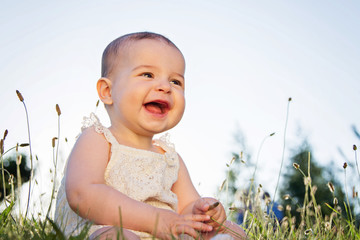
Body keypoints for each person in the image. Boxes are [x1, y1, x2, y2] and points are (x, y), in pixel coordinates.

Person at [54, 32, 246, 240]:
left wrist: (203, 213)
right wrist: (155, 219)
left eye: (176, 81)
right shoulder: (98, 139)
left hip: (166, 234)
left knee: (235, 231)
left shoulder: (170, 158)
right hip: (105, 230)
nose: (165, 87)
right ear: (107, 91)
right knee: (115, 236)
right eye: (147, 75)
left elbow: (186, 208)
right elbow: (83, 194)